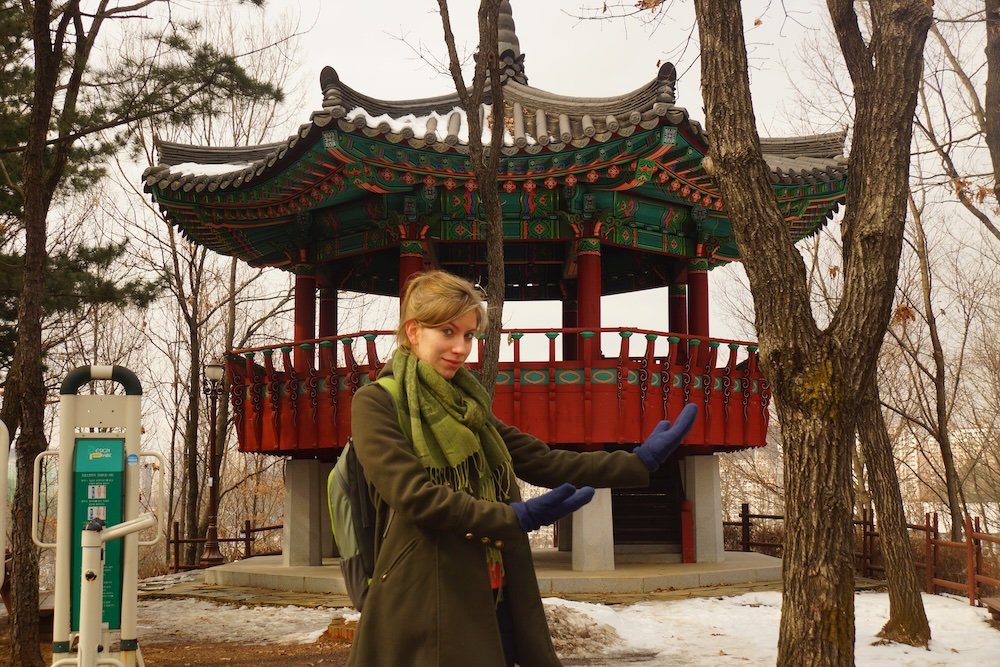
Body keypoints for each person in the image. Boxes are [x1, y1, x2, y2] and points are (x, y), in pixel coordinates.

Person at [346, 270, 698, 667]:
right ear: (413, 332)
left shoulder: (468, 405)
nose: (460, 348)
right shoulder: (375, 403)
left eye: (468, 335)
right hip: (423, 601)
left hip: (495, 587)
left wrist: (637, 461)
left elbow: (544, 460)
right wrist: (514, 517)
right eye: (447, 331)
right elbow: (414, 497)